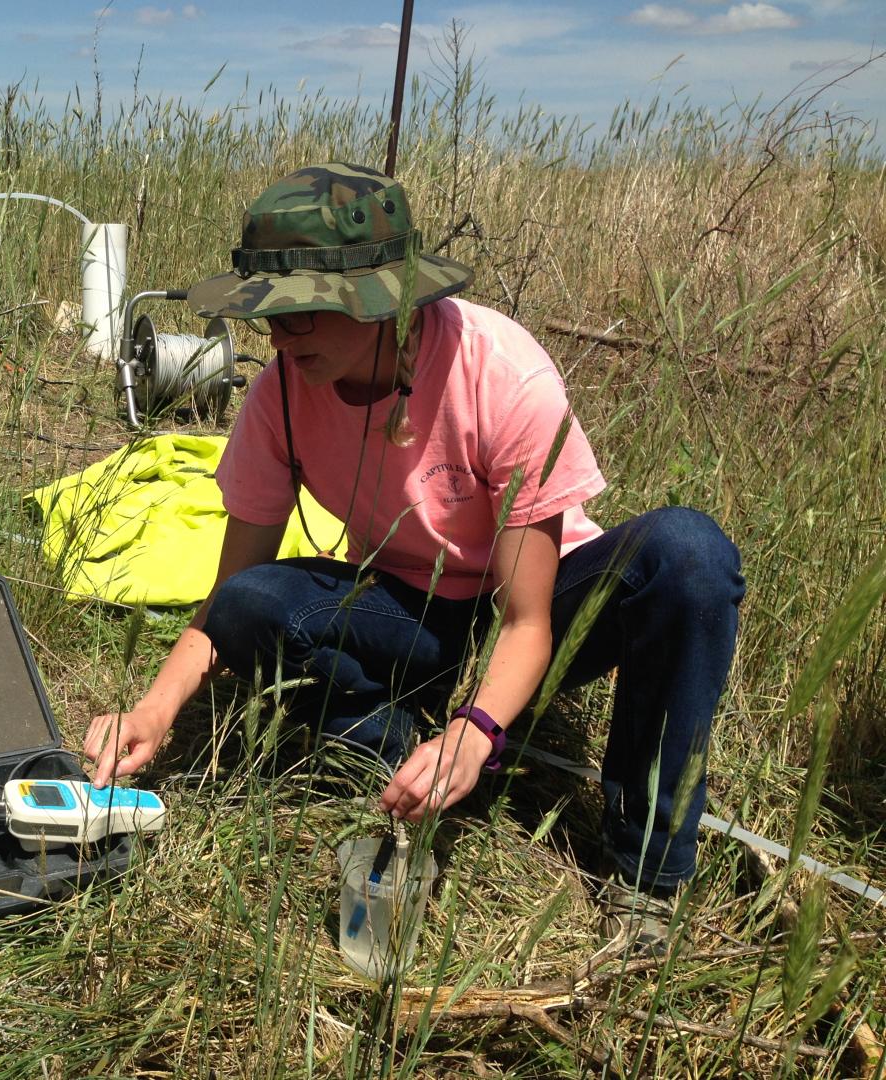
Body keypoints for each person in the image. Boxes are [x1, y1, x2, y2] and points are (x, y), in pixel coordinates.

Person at [83, 162, 744, 952]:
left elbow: (529, 620)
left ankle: (645, 879)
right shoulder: (281, 397)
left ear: (383, 304)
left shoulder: (500, 375)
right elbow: (228, 600)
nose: (278, 341)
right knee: (258, 603)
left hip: (534, 606)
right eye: (269, 317)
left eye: (302, 317)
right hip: (409, 608)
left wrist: (475, 727)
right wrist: (155, 709)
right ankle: (401, 754)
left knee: (689, 556)